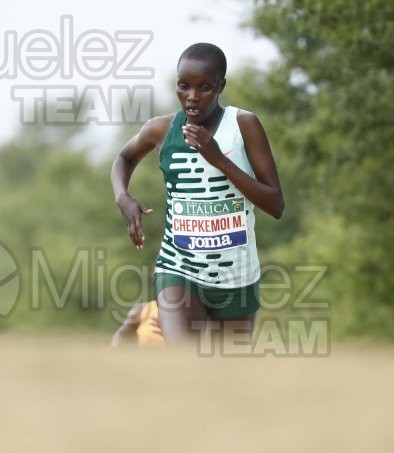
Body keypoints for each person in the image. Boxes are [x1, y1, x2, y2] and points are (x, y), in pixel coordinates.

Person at [111, 42, 284, 345]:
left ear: (221, 86)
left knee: (225, 380)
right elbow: (124, 159)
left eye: (204, 87)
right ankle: (151, 316)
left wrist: (217, 157)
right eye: (183, 86)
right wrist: (123, 197)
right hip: (179, 268)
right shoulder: (161, 130)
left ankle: (145, 314)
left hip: (238, 276)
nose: (192, 97)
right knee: (184, 364)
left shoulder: (244, 125)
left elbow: (275, 204)